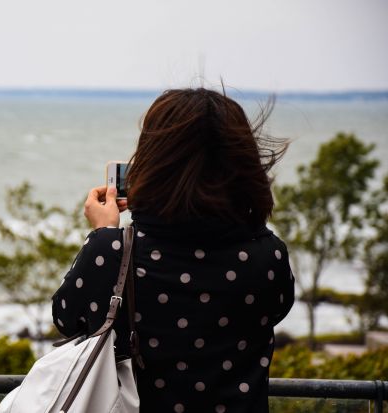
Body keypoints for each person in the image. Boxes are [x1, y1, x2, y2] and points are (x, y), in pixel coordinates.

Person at [51, 88, 295, 413]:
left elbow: (67, 318)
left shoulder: (112, 251)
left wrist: (104, 233)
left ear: (154, 162)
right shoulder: (269, 256)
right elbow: (275, 310)